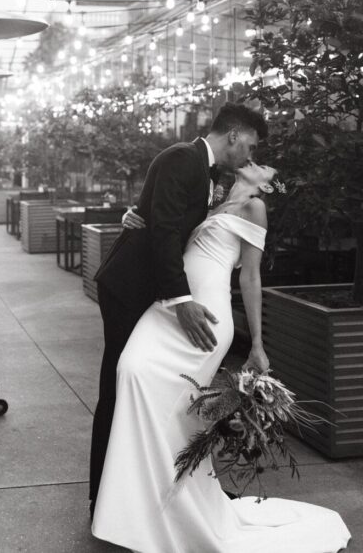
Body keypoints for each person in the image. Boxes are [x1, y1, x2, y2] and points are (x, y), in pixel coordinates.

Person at [92, 161, 351, 552]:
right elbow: (166, 232)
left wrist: (258, 343)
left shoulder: (255, 208)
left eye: (265, 165)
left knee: (176, 412)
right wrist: (134, 217)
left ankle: (169, 510)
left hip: (207, 317)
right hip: (168, 312)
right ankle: (139, 504)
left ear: (269, 184)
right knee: (130, 370)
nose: (255, 161)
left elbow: (250, 276)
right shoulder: (211, 202)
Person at [88, 102, 268, 518]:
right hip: (131, 290)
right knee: (119, 386)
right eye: (251, 147)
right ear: (234, 135)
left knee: (147, 391)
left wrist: (139, 213)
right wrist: (182, 301)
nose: (251, 157)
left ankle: (144, 492)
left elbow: (171, 224)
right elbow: (166, 229)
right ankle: (105, 498)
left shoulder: (209, 178)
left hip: (158, 294)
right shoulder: (182, 158)